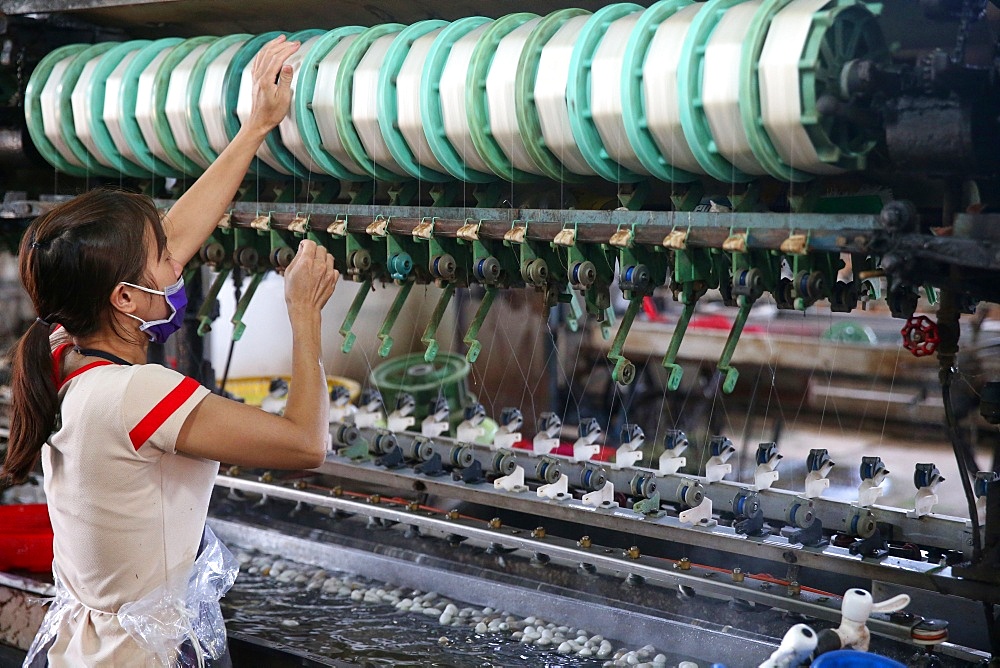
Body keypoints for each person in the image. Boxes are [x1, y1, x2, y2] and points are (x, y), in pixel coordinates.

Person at [1, 35, 340, 666]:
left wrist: (254, 129)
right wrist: (304, 316)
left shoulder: (61, 346)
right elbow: (304, 445)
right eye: (161, 260)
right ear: (126, 298)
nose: (176, 263)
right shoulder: (136, 394)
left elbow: (176, 233)